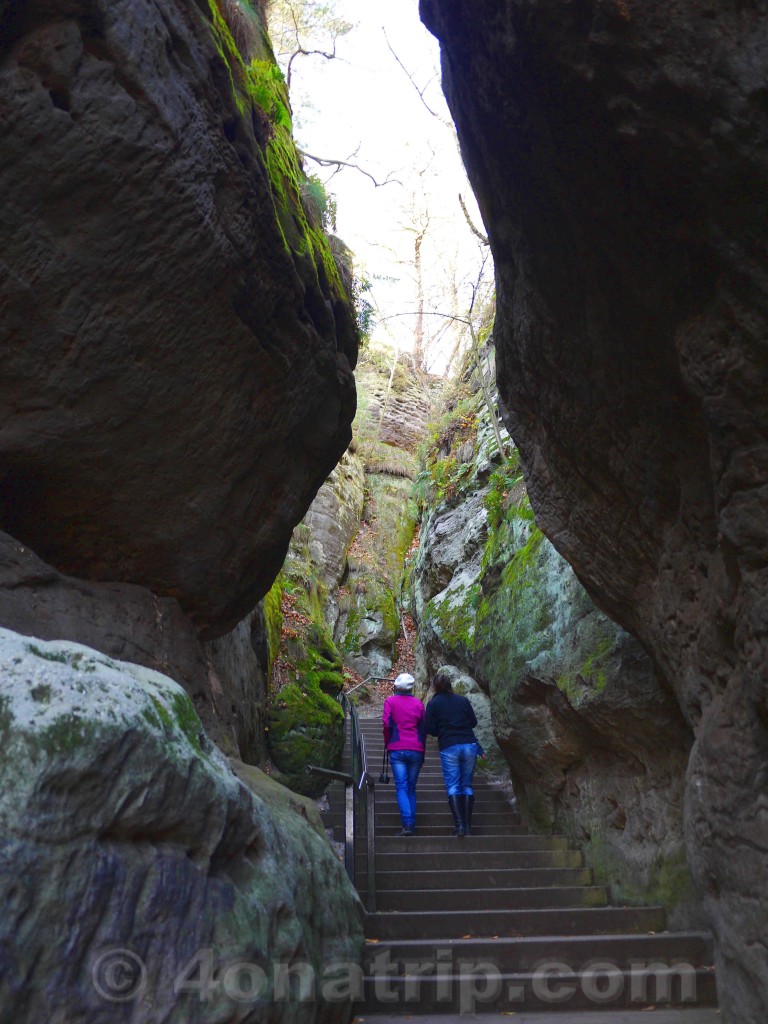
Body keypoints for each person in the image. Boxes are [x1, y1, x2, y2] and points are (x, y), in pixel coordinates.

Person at [424, 671, 478, 838]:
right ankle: (468, 827)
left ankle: (460, 826)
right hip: (469, 743)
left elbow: (429, 728)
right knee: (467, 785)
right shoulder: (462, 701)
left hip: (449, 745)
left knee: (453, 785)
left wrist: (441, 730)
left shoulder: (434, 704)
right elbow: (474, 722)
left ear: (435, 687)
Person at [381, 672, 426, 837]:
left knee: (401, 786)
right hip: (416, 749)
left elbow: (386, 724)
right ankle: (411, 824)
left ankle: (407, 824)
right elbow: (423, 729)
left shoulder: (390, 701)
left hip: (397, 748)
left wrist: (388, 741)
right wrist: (423, 751)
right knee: (411, 788)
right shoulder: (418, 704)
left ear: (395, 686)